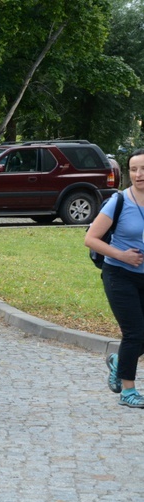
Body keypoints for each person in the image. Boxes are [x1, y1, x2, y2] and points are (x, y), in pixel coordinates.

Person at [85, 149, 144, 408]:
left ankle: (120, 362)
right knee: (134, 333)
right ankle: (128, 391)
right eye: (133, 170)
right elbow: (91, 239)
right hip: (119, 274)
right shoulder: (119, 201)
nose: (139, 175)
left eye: (143, 169)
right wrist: (122, 255)